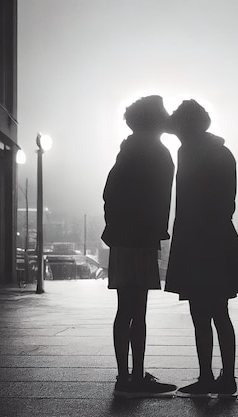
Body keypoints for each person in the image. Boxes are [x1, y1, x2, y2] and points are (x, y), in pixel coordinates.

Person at [164, 99, 238, 398]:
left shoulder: (190, 151)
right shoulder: (217, 151)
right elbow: (227, 202)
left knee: (201, 314)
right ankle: (225, 377)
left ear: (186, 126)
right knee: (218, 312)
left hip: (198, 239)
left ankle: (208, 377)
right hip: (215, 238)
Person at [102, 95, 177, 399]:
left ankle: (124, 376)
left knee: (124, 309)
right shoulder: (157, 152)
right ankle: (136, 374)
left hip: (122, 238)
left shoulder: (128, 150)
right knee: (139, 310)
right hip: (142, 238)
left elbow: (109, 193)